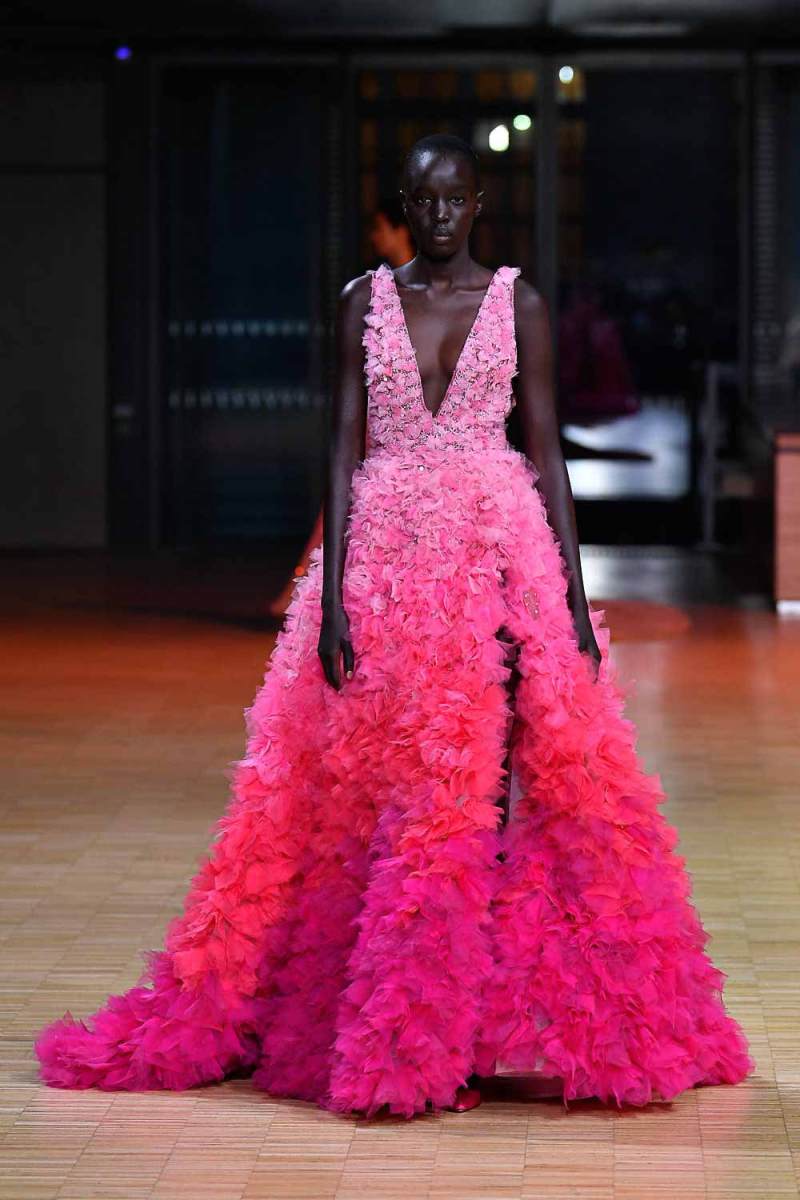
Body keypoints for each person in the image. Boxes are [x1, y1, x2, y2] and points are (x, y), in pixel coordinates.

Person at [34, 133, 753, 1120]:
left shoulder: (519, 304)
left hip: (497, 558)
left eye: (455, 199)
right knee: (384, 794)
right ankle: (410, 1022)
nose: (440, 214)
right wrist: (329, 597)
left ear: (479, 203)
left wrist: (572, 604)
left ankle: (471, 1023)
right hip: (385, 564)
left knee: (501, 789)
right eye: (423, 200)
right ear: (403, 206)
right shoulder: (361, 301)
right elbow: (340, 446)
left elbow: (546, 455)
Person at [267, 195, 414, 617]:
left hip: (406, 420)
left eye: (380, 228)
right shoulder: (376, 287)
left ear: (401, 229)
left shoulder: (418, 288)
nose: (375, 238)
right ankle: (315, 591)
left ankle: (320, 592)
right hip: (376, 410)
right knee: (349, 495)